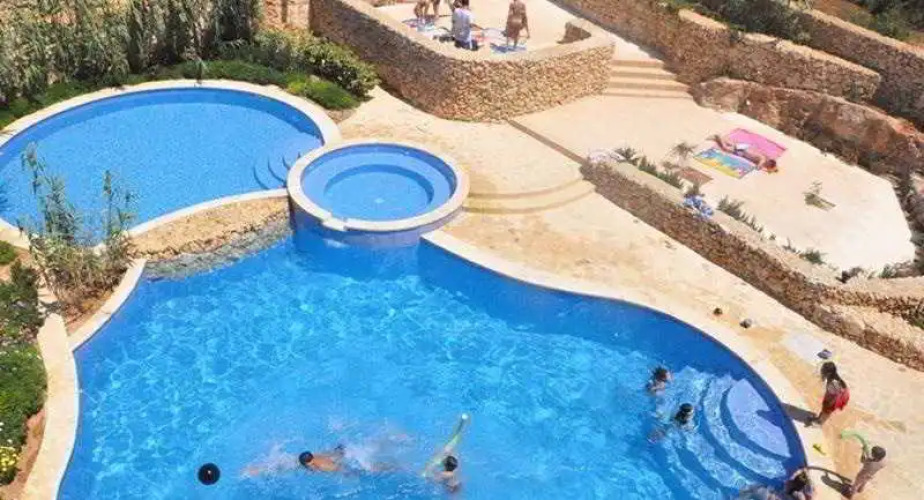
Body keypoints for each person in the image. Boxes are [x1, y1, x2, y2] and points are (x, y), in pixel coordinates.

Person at [809, 361, 849, 427]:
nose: (822, 371)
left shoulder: (834, 382)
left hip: (837, 397)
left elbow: (838, 394)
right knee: (825, 405)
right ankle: (819, 418)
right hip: (833, 393)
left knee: (828, 410)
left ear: (829, 373)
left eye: (823, 371)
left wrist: (832, 402)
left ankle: (820, 423)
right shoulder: (831, 378)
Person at [711, 133, 778, 172]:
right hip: (743, 150)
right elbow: (758, 168)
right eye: (768, 166)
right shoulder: (763, 159)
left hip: (745, 148)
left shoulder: (764, 158)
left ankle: (719, 138)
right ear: (769, 163)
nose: (767, 166)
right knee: (725, 148)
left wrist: (772, 169)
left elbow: (771, 165)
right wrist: (766, 170)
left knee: (731, 144)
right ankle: (717, 137)